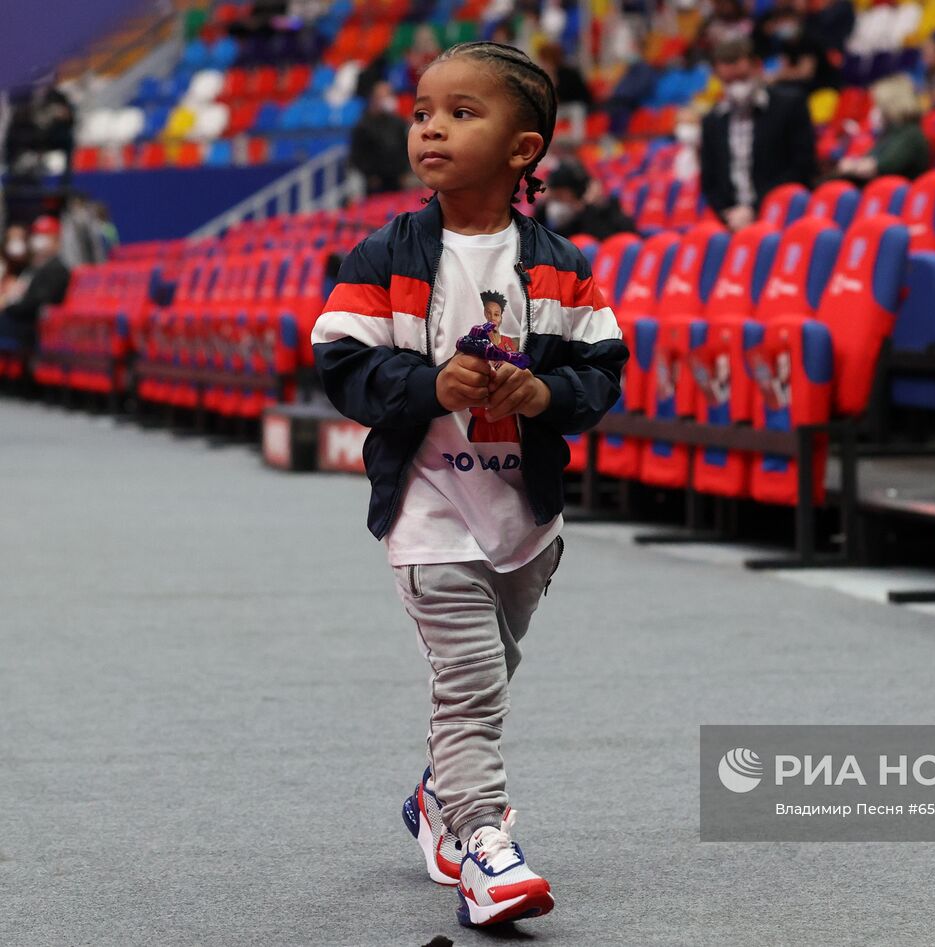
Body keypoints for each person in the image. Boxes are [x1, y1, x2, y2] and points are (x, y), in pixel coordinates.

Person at [310, 41, 627, 929]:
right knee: (474, 682)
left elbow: (603, 368)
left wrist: (545, 392)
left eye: (460, 113)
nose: (430, 129)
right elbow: (338, 360)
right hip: (427, 510)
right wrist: (428, 386)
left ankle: (437, 793)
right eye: (421, 113)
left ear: (523, 150)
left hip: (523, 522)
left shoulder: (559, 265)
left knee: (483, 677)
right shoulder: (386, 253)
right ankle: (487, 848)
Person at [700, 37, 818, 230]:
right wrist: (728, 213)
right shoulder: (712, 122)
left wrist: (755, 208)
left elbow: (802, 166)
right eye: (728, 81)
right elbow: (710, 181)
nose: (736, 87)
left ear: (757, 68)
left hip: (785, 213)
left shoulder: (789, 105)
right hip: (734, 222)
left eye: (742, 78)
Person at [835, 73, 929, 181]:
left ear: (891, 105)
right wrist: (855, 163)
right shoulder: (891, 130)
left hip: (895, 192)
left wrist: (854, 166)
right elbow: (870, 157)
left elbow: (884, 165)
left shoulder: (911, 134)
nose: (876, 110)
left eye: (879, 105)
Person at [0, 216, 69, 352]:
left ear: (57, 241)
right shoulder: (35, 267)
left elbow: (36, 302)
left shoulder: (56, 269)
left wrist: (8, 307)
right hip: (21, 323)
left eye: (45, 236)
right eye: (38, 235)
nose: (39, 241)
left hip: (33, 328)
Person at [540, 158, 636, 240]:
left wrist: (587, 208)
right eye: (553, 197)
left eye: (559, 196)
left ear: (578, 193)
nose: (556, 202)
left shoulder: (608, 213)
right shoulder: (564, 222)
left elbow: (595, 239)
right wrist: (542, 206)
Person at [349, 80, 410, 195]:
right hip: (375, 183)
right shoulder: (363, 125)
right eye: (384, 96)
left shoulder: (398, 122)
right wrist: (370, 176)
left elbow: (405, 147)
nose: (389, 99)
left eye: (390, 94)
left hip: (397, 180)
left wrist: (404, 171)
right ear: (374, 99)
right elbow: (357, 155)